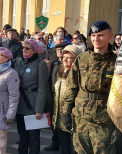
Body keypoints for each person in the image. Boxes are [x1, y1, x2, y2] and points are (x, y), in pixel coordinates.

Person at [62, 21, 116, 153]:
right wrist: (66, 112)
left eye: (100, 35)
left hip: (104, 119)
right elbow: (72, 87)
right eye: (93, 35)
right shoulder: (82, 59)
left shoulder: (116, 62)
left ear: (110, 36)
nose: (96, 39)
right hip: (81, 116)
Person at [14, 39, 48, 154]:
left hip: (33, 104)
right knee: (22, 136)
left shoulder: (40, 64)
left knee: (33, 137)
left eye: (27, 48)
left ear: (34, 51)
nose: (24, 50)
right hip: (20, 103)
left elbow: (43, 87)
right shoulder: (18, 61)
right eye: (23, 47)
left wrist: (39, 109)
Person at [53, 45, 82, 154]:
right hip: (60, 117)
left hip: (73, 117)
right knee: (64, 148)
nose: (64, 59)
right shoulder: (61, 71)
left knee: (75, 149)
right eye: (64, 56)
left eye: (69, 57)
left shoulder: (79, 74)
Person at [44, 43, 68, 152]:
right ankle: (55, 142)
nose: (59, 51)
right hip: (53, 95)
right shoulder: (54, 63)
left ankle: (66, 146)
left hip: (64, 98)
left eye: (61, 49)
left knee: (63, 123)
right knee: (53, 121)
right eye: (57, 49)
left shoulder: (69, 64)